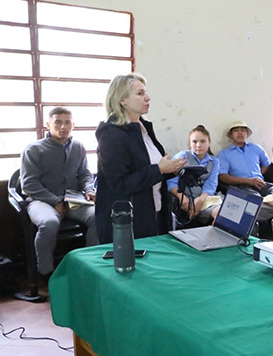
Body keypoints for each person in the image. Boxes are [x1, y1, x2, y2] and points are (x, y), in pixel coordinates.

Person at [95, 73, 186, 244]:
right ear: (123, 100)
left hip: (154, 211)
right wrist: (159, 169)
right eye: (140, 93)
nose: (148, 98)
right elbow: (120, 184)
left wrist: (172, 169)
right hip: (128, 220)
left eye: (146, 93)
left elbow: (149, 169)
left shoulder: (143, 128)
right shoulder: (111, 135)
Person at [20, 107, 98, 280]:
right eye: (58, 122)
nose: (63, 126)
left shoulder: (78, 146)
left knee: (97, 216)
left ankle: (90, 266)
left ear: (73, 125)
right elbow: (29, 184)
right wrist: (55, 201)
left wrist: (89, 190)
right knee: (48, 223)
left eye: (67, 122)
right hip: (41, 200)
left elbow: (85, 174)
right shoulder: (33, 149)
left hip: (72, 199)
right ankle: (46, 273)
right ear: (48, 125)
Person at [166, 125, 222, 225]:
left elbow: (211, 184)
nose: (198, 145)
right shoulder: (182, 157)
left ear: (209, 142)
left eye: (203, 141)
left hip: (206, 198)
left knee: (221, 215)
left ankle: (214, 238)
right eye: (194, 142)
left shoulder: (214, 161)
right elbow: (171, 182)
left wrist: (200, 201)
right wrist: (182, 198)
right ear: (190, 143)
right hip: (185, 197)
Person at [217, 120, 273, 196]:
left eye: (242, 130)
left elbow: (266, 163)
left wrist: (258, 175)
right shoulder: (224, 154)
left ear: (246, 133)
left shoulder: (256, 148)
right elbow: (223, 177)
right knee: (257, 201)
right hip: (242, 187)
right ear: (231, 135)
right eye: (236, 131)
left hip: (261, 183)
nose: (240, 133)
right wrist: (248, 181)